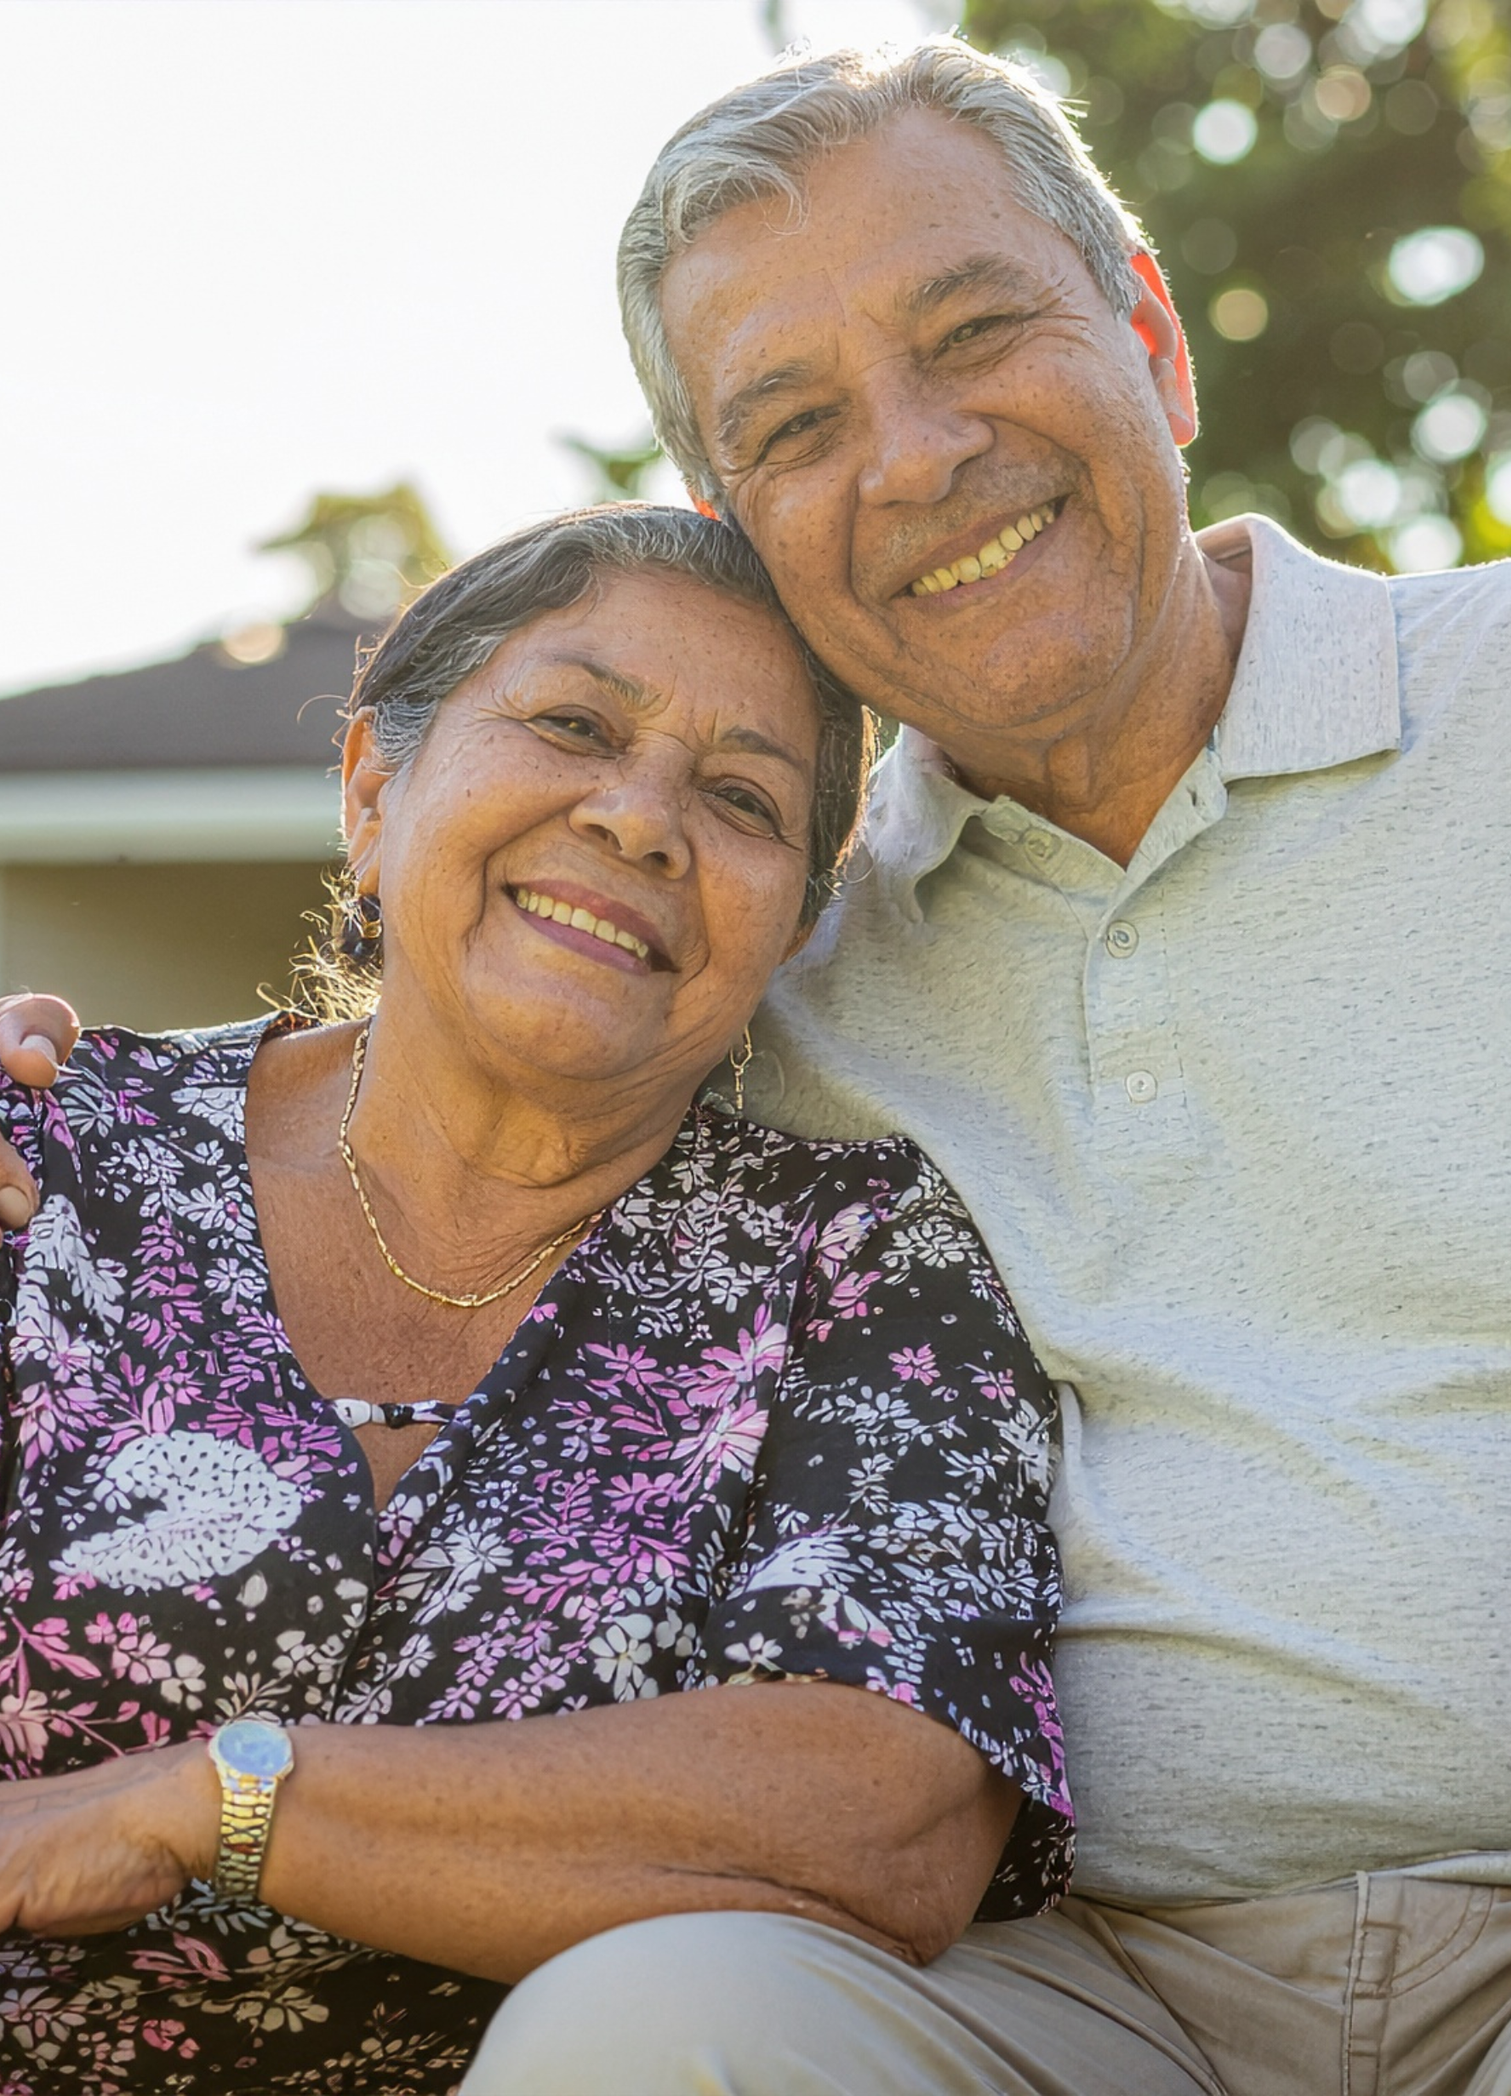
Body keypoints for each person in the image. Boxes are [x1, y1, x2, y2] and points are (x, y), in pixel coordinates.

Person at [606, 34, 1511, 2096]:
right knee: (644, 2033)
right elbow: (425, 1107)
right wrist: (72, 1096)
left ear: (1149, 342)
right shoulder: (766, 965)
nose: (916, 457)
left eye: (974, 329)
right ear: (735, 529)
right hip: (1067, 1987)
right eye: (798, 422)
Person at [0, 504, 1072, 2093]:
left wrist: (209, 1801)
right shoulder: (50, 1163)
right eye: (572, 724)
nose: (642, 822)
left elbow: (881, 1816)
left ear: (788, 924)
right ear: (373, 787)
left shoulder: (853, 1261)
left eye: (740, 799)